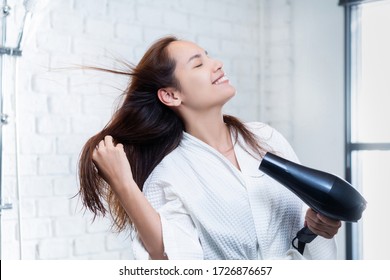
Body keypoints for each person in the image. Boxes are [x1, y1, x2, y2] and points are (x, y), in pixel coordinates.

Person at [78, 35, 341, 260]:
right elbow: (171, 257)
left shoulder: (266, 139)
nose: (217, 64)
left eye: (209, 56)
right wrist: (124, 185)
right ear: (171, 95)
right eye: (199, 63)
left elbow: (304, 219)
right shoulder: (169, 175)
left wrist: (318, 224)